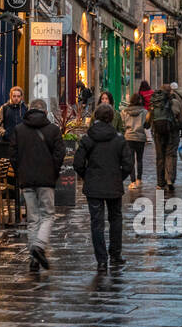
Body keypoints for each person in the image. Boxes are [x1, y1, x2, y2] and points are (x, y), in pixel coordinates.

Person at [73, 103, 135, 271]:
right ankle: (115, 255)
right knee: (115, 219)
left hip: (94, 186)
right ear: (111, 118)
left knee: (97, 223)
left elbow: (77, 163)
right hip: (113, 185)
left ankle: (101, 260)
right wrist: (118, 177)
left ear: (96, 118)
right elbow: (128, 164)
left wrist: (87, 176)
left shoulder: (87, 138)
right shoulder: (119, 139)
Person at [11, 98, 65, 271]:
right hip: (46, 180)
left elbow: (13, 155)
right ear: (45, 111)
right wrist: (53, 172)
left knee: (33, 218)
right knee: (48, 214)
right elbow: (59, 155)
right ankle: (39, 246)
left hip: (26, 179)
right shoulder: (53, 130)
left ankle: (33, 258)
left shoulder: (19, 130)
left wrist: (21, 172)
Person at [148, 82, 182, 194]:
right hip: (172, 132)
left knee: (160, 157)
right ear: (171, 92)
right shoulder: (175, 103)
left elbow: (148, 119)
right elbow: (181, 117)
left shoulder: (155, 103)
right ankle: (169, 180)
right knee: (170, 155)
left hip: (158, 133)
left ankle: (160, 183)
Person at [120, 92, 148, 189]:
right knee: (139, 159)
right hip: (140, 138)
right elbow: (147, 125)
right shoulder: (144, 112)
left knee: (131, 160)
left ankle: (132, 182)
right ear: (140, 100)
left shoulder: (124, 112)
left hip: (129, 137)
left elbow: (123, 125)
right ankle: (139, 179)